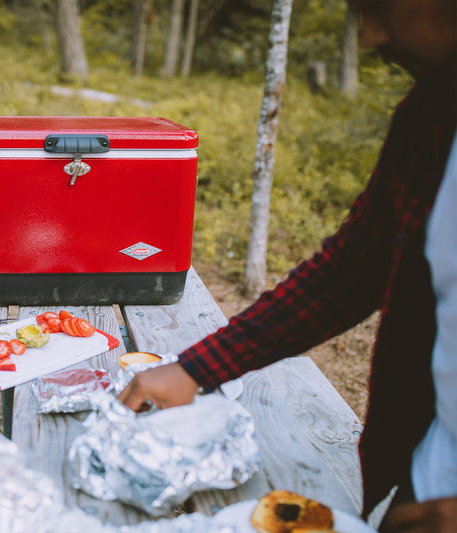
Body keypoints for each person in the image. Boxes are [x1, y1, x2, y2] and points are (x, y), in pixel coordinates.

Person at [118, 1, 457, 531]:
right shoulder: (429, 121)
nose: (371, 35)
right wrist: (196, 368)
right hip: (421, 475)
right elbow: (348, 275)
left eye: (383, 7)